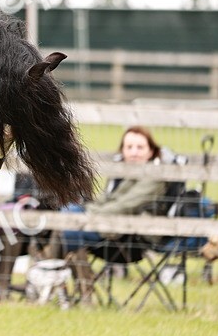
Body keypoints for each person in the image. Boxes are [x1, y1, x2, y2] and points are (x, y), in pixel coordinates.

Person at [63, 126, 168, 296]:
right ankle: (68, 288)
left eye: (140, 147)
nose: (134, 152)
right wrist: (85, 212)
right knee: (68, 214)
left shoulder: (154, 177)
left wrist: (88, 215)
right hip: (108, 228)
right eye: (129, 147)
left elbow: (126, 205)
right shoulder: (122, 173)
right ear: (123, 151)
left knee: (68, 227)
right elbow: (105, 201)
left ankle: (81, 291)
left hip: (132, 237)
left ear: (151, 152)